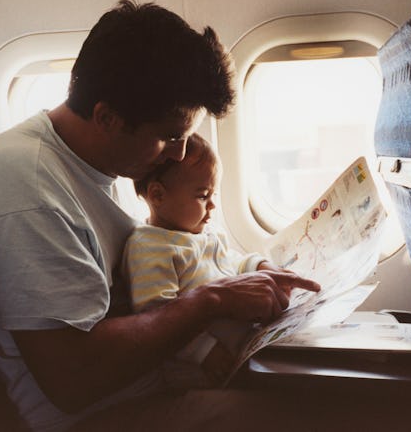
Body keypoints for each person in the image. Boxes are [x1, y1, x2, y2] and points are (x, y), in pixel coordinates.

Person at [0, 0, 320, 431]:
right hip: (99, 414)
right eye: (169, 138)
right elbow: (72, 379)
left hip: (151, 383)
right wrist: (211, 301)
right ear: (107, 117)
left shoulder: (97, 168)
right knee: (302, 415)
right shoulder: (25, 186)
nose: (179, 154)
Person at [123, 133, 309, 387]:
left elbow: (229, 262)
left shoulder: (204, 233)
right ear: (157, 195)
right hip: (198, 373)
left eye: (214, 195)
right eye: (202, 196)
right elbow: (157, 317)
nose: (212, 206)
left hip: (240, 351)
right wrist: (204, 351)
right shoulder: (150, 247)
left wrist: (259, 266)